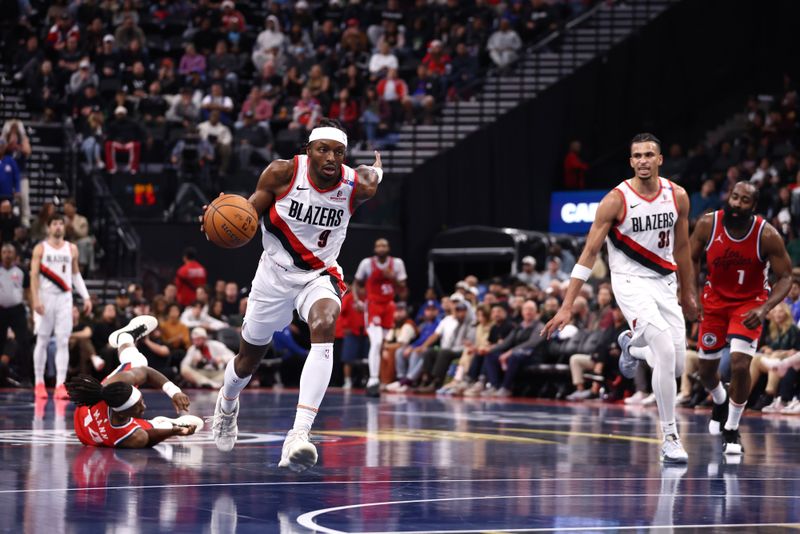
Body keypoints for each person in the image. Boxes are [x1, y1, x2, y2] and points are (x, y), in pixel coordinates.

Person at [203, 118, 382, 472]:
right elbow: (250, 212)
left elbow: (374, 176)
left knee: (326, 321)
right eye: (323, 149)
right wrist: (217, 217)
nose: (331, 157)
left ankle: (299, 434)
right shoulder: (282, 174)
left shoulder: (356, 186)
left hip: (320, 274)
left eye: (339, 151)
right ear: (309, 151)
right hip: (273, 276)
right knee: (247, 361)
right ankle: (226, 404)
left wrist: (377, 170)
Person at [543, 133, 698, 464]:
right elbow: (588, 252)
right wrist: (567, 304)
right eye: (637, 155)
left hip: (665, 281)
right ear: (631, 161)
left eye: (648, 154)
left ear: (660, 159)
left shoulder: (678, 196)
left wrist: (688, 290)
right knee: (667, 354)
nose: (643, 160)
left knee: (676, 364)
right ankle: (670, 436)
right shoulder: (615, 200)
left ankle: (632, 346)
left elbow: (683, 248)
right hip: (630, 282)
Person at [690, 181, 792, 455]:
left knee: (738, 364)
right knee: (706, 370)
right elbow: (691, 259)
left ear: (753, 206)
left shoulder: (766, 234)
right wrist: (690, 294)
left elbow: (785, 277)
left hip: (750, 304)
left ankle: (733, 428)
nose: (736, 203)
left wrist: (764, 309)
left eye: (744, 200)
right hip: (714, 303)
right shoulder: (707, 224)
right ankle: (719, 399)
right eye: (734, 196)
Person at [67, 315, 200, 448]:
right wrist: (171, 432)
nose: (144, 406)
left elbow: (146, 372)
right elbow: (147, 439)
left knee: (139, 363)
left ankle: (125, 337)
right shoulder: (129, 436)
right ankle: (164, 423)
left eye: (141, 401)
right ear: (122, 413)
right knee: (151, 429)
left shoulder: (111, 387)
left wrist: (174, 392)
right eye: (138, 406)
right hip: (87, 433)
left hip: (84, 419)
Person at [30, 214, 93, 400]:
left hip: (65, 298)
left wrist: (86, 297)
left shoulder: (71, 248)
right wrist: (35, 300)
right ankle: (39, 382)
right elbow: (33, 276)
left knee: (63, 341)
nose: (58, 227)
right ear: (48, 227)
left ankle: (60, 384)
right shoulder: (40, 248)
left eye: (60, 224)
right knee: (42, 339)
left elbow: (75, 275)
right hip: (45, 297)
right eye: (55, 224)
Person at [353, 238, 408, 396]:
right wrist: (357, 300)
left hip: (389, 306)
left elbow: (403, 288)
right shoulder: (367, 264)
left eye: (384, 245)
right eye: (378, 245)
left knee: (382, 345)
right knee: (376, 343)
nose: (381, 248)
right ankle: (373, 380)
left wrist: (392, 277)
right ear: (375, 249)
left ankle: (379, 380)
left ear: (388, 248)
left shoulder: (397, 264)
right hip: (373, 306)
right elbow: (356, 283)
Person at [0, 243, 32, 385]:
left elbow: (28, 292)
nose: (7, 254)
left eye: (10, 252)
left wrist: (32, 310)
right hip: (1, 310)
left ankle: (26, 377)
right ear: (1, 254)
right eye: (4, 252)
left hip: (17, 310)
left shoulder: (22, 270)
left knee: (24, 341)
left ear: (15, 255)